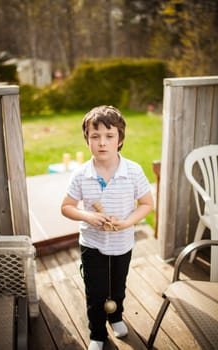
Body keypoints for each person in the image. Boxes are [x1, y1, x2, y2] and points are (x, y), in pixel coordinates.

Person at [61, 105, 154, 350]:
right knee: (95, 291)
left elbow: (146, 204)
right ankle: (98, 334)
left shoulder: (133, 171)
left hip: (122, 244)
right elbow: (67, 207)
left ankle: (115, 317)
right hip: (92, 245)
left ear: (120, 139)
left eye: (109, 136)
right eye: (95, 136)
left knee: (117, 287)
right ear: (87, 140)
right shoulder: (81, 174)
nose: (102, 142)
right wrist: (87, 216)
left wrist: (127, 222)